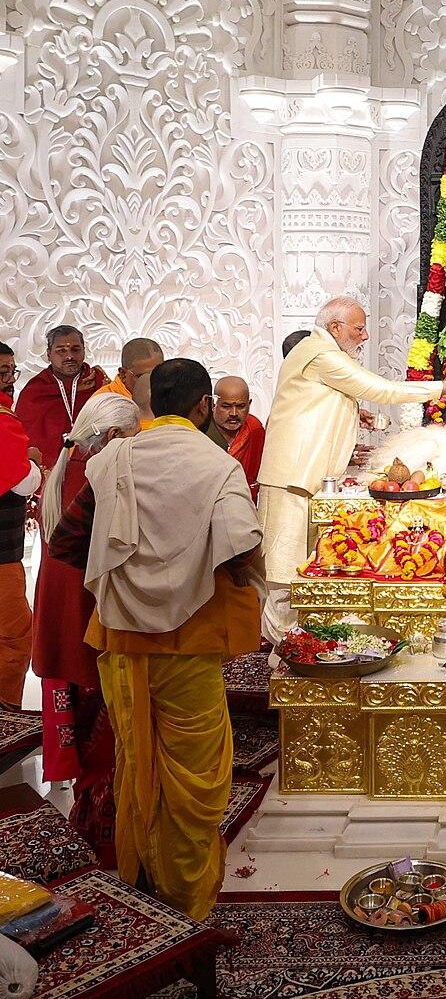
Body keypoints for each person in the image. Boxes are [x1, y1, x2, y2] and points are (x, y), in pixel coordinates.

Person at [47, 358, 265, 920]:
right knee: (194, 776)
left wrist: (124, 576)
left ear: (150, 404)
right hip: (187, 648)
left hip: (121, 645)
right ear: (202, 407)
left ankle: (137, 882)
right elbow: (241, 551)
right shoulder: (217, 466)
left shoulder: (116, 459)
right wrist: (207, 573)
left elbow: (67, 543)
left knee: (134, 759)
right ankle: (187, 903)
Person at [258, 295, 446, 642]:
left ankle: (299, 648)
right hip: (292, 479)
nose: (365, 336)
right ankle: (286, 659)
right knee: (284, 576)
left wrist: (352, 413)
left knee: (304, 573)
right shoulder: (321, 353)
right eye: (359, 328)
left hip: (307, 479)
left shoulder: (320, 352)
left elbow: (326, 399)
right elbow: (381, 389)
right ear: (335, 328)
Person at [34, 393, 141, 862]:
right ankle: (106, 839)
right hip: (83, 608)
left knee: (84, 728)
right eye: (134, 439)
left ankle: (93, 821)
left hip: (62, 604)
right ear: (115, 437)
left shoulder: (73, 463)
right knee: (105, 735)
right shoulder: (97, 473)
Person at [15, 325, 107, 470]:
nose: (69, 356)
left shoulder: (98, 382)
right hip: (49, 472)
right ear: (48, 354)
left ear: (84, 351)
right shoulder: (35, 391)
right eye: (61, 351)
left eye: (75, 350)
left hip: (94, 468)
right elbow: (25, 439)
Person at [0, 383, 41, 707]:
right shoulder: (3, 421)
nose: (9, 380)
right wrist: (33, 463)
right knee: (13, 640)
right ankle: (5, 724)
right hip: (2, 560)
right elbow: (23, 479)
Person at [206, 376, 264, 501]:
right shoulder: (201, 430)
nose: (233, 413)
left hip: (245, 503)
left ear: (249, 404)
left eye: (241, 406)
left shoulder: (255, 429)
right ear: (213, 404)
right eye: (226, 406)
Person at [94, 338, 164, 401]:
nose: (153, 382)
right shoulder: (104, 402)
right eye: (143, 377)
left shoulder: (167, 394)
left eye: (158, 374)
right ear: (123, 374)